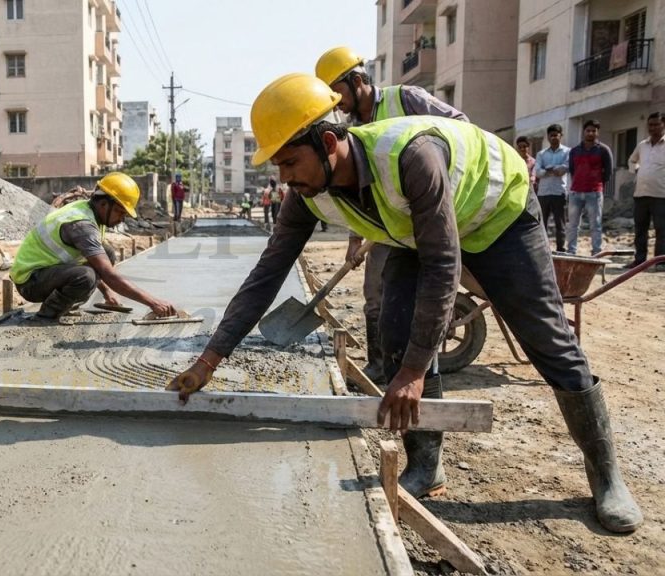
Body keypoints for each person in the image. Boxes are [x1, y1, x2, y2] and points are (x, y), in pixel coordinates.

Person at [167, 74, 642, 533]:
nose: (285, 178)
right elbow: (265, 276)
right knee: (394, 331)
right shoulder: (306, 195)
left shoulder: (412, 156)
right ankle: (426, 465)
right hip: (418, 232)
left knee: (546, 339)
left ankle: (606, 478)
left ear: (328, 144)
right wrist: (211, 357)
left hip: (497, 215)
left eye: (289, 163)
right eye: (278, 169)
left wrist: (415, 371)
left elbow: (443, 265)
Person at [315, 46, 468, 382]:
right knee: (374, 296)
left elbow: (462, 129)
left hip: (427, 219)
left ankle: (420, 372)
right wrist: (355, 239)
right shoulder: (352, 130)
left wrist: (437, 191)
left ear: (356, 81)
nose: (335, 104)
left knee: (421, 294)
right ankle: (379, 364)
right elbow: (357, 188)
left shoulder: (407, 100)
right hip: (385, 226)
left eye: (336, 93)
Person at [10, 172, 177, 321]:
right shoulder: (81, 225)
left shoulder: (93, 214)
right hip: (30, 282)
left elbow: (96, 262)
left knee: (107, 253)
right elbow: (107, 274)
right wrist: (152, 302)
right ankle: (46, 316)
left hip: (49, 272)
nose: (122, 219)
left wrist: (107, 293)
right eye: (120, 212)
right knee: (86, 277)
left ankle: (66, 304)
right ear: (104, 204)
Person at [567, 120, 613, 255]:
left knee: (596, 225)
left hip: (594, 192)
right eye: (588, 130)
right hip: (576, 193)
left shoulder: (603, 150)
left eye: (594, 131)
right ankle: (571, 251)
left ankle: (597, 252)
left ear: (597, 133)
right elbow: (572, 170)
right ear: (584, 132)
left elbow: (608, 172)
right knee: (573, 225)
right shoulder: (574, 151)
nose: (591, 133)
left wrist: (597, 185)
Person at [626, 112, 665, 271]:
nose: (653, 127)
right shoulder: (642, 145)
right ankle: (640, 261)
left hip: (661, 195)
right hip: (641, 194)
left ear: (663, 125)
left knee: (662, 230)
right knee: (640, 230)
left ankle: (660, 262)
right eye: (650, 125)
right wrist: (634, 169)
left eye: (656, 124)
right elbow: (631, 160)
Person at [534, 124, 570, 252]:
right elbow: (537, 172)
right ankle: (543, 249)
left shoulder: (567, 152)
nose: (554, 137)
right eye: (551, 135)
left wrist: (549, 169)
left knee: (560, 223)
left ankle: (561, 248)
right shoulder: (541, 154)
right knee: (541, 224)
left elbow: (564, 169)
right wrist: (551, 170)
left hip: (559, 192)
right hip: (543, 193)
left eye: (556, 135)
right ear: (548, 137)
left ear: (561, 136)